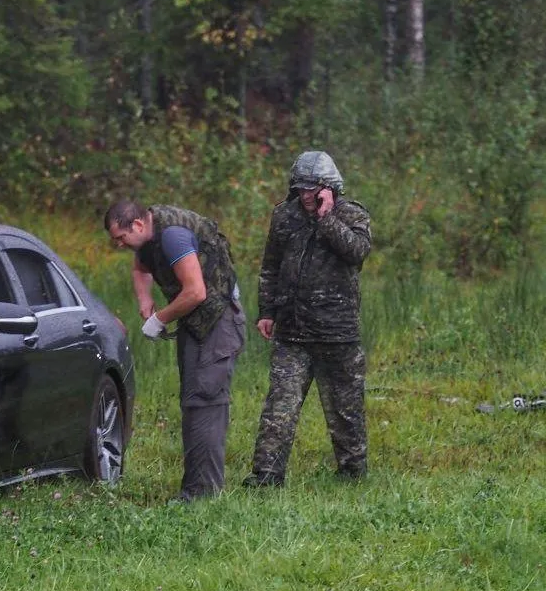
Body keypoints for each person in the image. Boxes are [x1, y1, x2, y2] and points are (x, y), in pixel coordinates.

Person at [244, 151, 372, 487]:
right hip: (293, 330)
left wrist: (326, 218)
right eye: (301, 189)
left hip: (338, 332)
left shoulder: (352, 214)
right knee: (279, 408)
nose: (306, 196)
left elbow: (357, 254)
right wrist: (267, 311)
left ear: (329, 188)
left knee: (346, 410)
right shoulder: (285, 216)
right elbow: (270, 266)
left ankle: (353, 474)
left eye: (313, 189)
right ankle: (267, 475)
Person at [104, 200, 246, 501]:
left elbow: (196, 291)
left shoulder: (173, 236)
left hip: (219, 321)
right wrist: (144, 299)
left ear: (139, 225)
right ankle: (194, 489)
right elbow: (140, 267)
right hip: (195, 322)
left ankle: (204, 494)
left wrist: (160, 318)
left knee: (206, 402)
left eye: (121, 238)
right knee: (192, 401)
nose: (119, 245)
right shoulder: (146, 238)